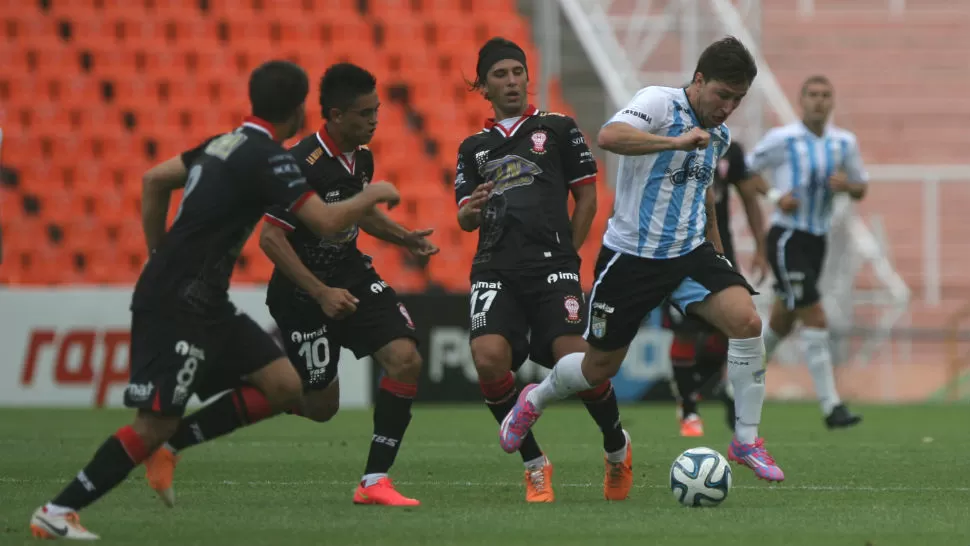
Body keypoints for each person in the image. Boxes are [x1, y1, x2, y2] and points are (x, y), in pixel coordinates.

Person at [28, 60, 401, 540]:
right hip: (177, 302)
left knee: (285, 385)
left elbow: (154, 180)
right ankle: (58, 510)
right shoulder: (267, 157)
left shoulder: (224, 143)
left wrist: (157, 254)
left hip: (206, 299)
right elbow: (327, 222)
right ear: (299, 110)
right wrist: (375, 194)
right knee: (153, 424)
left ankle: (171, 447)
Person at [140, 63, 436, 508]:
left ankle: (374, 480)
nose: (374, 121)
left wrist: (404, 238)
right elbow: (271, 238)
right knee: (320, 406)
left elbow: (361, 210)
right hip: (302, 296)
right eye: (364, 114)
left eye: (376, 111)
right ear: (335, 115)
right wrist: (320, 292)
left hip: (352, 275)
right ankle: (199, 423)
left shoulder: (362, 156)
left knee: (405, 359)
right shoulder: (298, 164)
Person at [500, 36, 786, 483]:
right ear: (698, 80)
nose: (728, 106)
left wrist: (717, 249)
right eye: (722, 95)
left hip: (689, 253)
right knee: (598, 368)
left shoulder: (718, 135)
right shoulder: (658, 103)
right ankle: (534, 400)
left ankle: (745, 439)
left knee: (748, 323)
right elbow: (609, 135)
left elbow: (702, 187)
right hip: (632, 257)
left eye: (738, 99)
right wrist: (673, 143)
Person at [455, 37, 632, 503]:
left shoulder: (557, 127)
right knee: (488, 358)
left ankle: (617, 447)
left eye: (518, 72)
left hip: (553, 266)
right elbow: (463, 216)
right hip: (495, 268)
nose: (512, 81)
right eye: (500, 74)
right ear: (484, 87)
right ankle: (534, 464)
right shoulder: (473, 147)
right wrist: (470, 211)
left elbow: (588, 198)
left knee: (579, 360)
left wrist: (566, 257)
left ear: (528, 78)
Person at [750, 74, 866, 429]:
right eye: (812, 94)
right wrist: (774, 197)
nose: (818, 100)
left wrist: (847, 186)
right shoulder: (783, 139)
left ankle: (733, 382)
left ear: (832, 101)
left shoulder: (844, 143)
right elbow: (747, 171)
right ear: (801, 100)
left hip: (817, 240)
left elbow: (861, 188)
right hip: (787, 237)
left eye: (824, 95)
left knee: (783, 320)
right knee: (814, 314)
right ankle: (832, 407)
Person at [665, 139, 768, 437]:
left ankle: (714, 389)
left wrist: (761, 247)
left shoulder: (730, 149)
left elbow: (749, 196)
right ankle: (688, 409)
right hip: (677, 250)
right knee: (684, 329)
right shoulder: (672, 144)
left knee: (731, 326)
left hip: (718, 251)